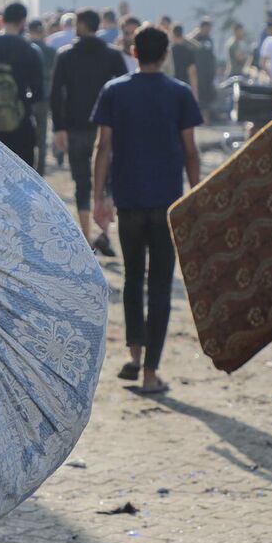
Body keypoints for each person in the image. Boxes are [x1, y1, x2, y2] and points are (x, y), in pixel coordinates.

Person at [92, 26, 204, 396]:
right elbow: (190, 150)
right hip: (167, 202)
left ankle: (135, 353)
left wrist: (98, 197)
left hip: (129, 199)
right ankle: (152, 372)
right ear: (166, 54)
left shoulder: (115, 91)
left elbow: (103, 148)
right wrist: (195, 196)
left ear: (134, 51)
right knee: (159, 285)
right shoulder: (180, 94)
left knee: (132, 280)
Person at [53, 9, 131, 258]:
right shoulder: (111, 55)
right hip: (106, 129)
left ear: (82, 25)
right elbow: (123, 88)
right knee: (107, 180)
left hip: (75, 127)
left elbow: (56, 94)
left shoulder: (66, 56)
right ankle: (105, 233)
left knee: (82, 182)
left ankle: (86, 237)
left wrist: (59, 127)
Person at [0, 2, 47, 166]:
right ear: (23, 21)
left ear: (1, 19)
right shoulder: (30, 50)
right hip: (21, 126)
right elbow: (38, 92)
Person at [27, 18, 59, 173]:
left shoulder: (26, 49)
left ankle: (28, 166)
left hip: (27, 95)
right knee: (42, 133)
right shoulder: (51, 52)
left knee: (27, 133)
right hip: (45, 95)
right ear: (43, 32)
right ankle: (40, 169)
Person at [192, 18, 220, 117]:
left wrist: (215, 69)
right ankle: (200, 117)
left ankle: (206, 117)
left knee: (208, 96)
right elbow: (187, 42)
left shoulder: (209, 40)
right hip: (199, 72)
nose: (208, 30)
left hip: (209, 73)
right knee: (200, 96)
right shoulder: (196, 39)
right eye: (207, 28)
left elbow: (212, 56)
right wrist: (195, 34)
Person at [169, 23, 198, 90]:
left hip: (171, 85)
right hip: (185, 86)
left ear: (172, 34)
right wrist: (195, 92)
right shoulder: (189, 51)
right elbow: (192, 72)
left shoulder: (169, 52)